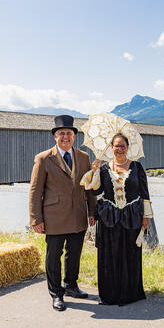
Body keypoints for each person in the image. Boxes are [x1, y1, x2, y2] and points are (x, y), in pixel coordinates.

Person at [29, 115, 96, 311]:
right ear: (55, 137)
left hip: (78, 215)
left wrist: (91, 211)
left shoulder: (84, 157)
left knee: (74, 254)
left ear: (74, 136)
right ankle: (56, 293)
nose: (66, 137)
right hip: (54, 217)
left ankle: (71, 286)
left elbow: (89, 187)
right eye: (62, 134)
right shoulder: (43, 158)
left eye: (69, 133)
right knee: (53, 257)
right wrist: (36, 219)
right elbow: (35, 190)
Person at [80, 133, 153, 305]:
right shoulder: (104, 168)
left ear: (128, 148)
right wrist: (94, 171)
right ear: (111, 148)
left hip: (132, 216)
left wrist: (146, 216)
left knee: (130, 254)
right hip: (109, 217)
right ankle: (110, 294)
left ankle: (130, 294)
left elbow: (145, 194)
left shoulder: (137, 167)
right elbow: (95, 191)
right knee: (109, 255)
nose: (119, 149)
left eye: (123, 146)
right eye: (116, 145)